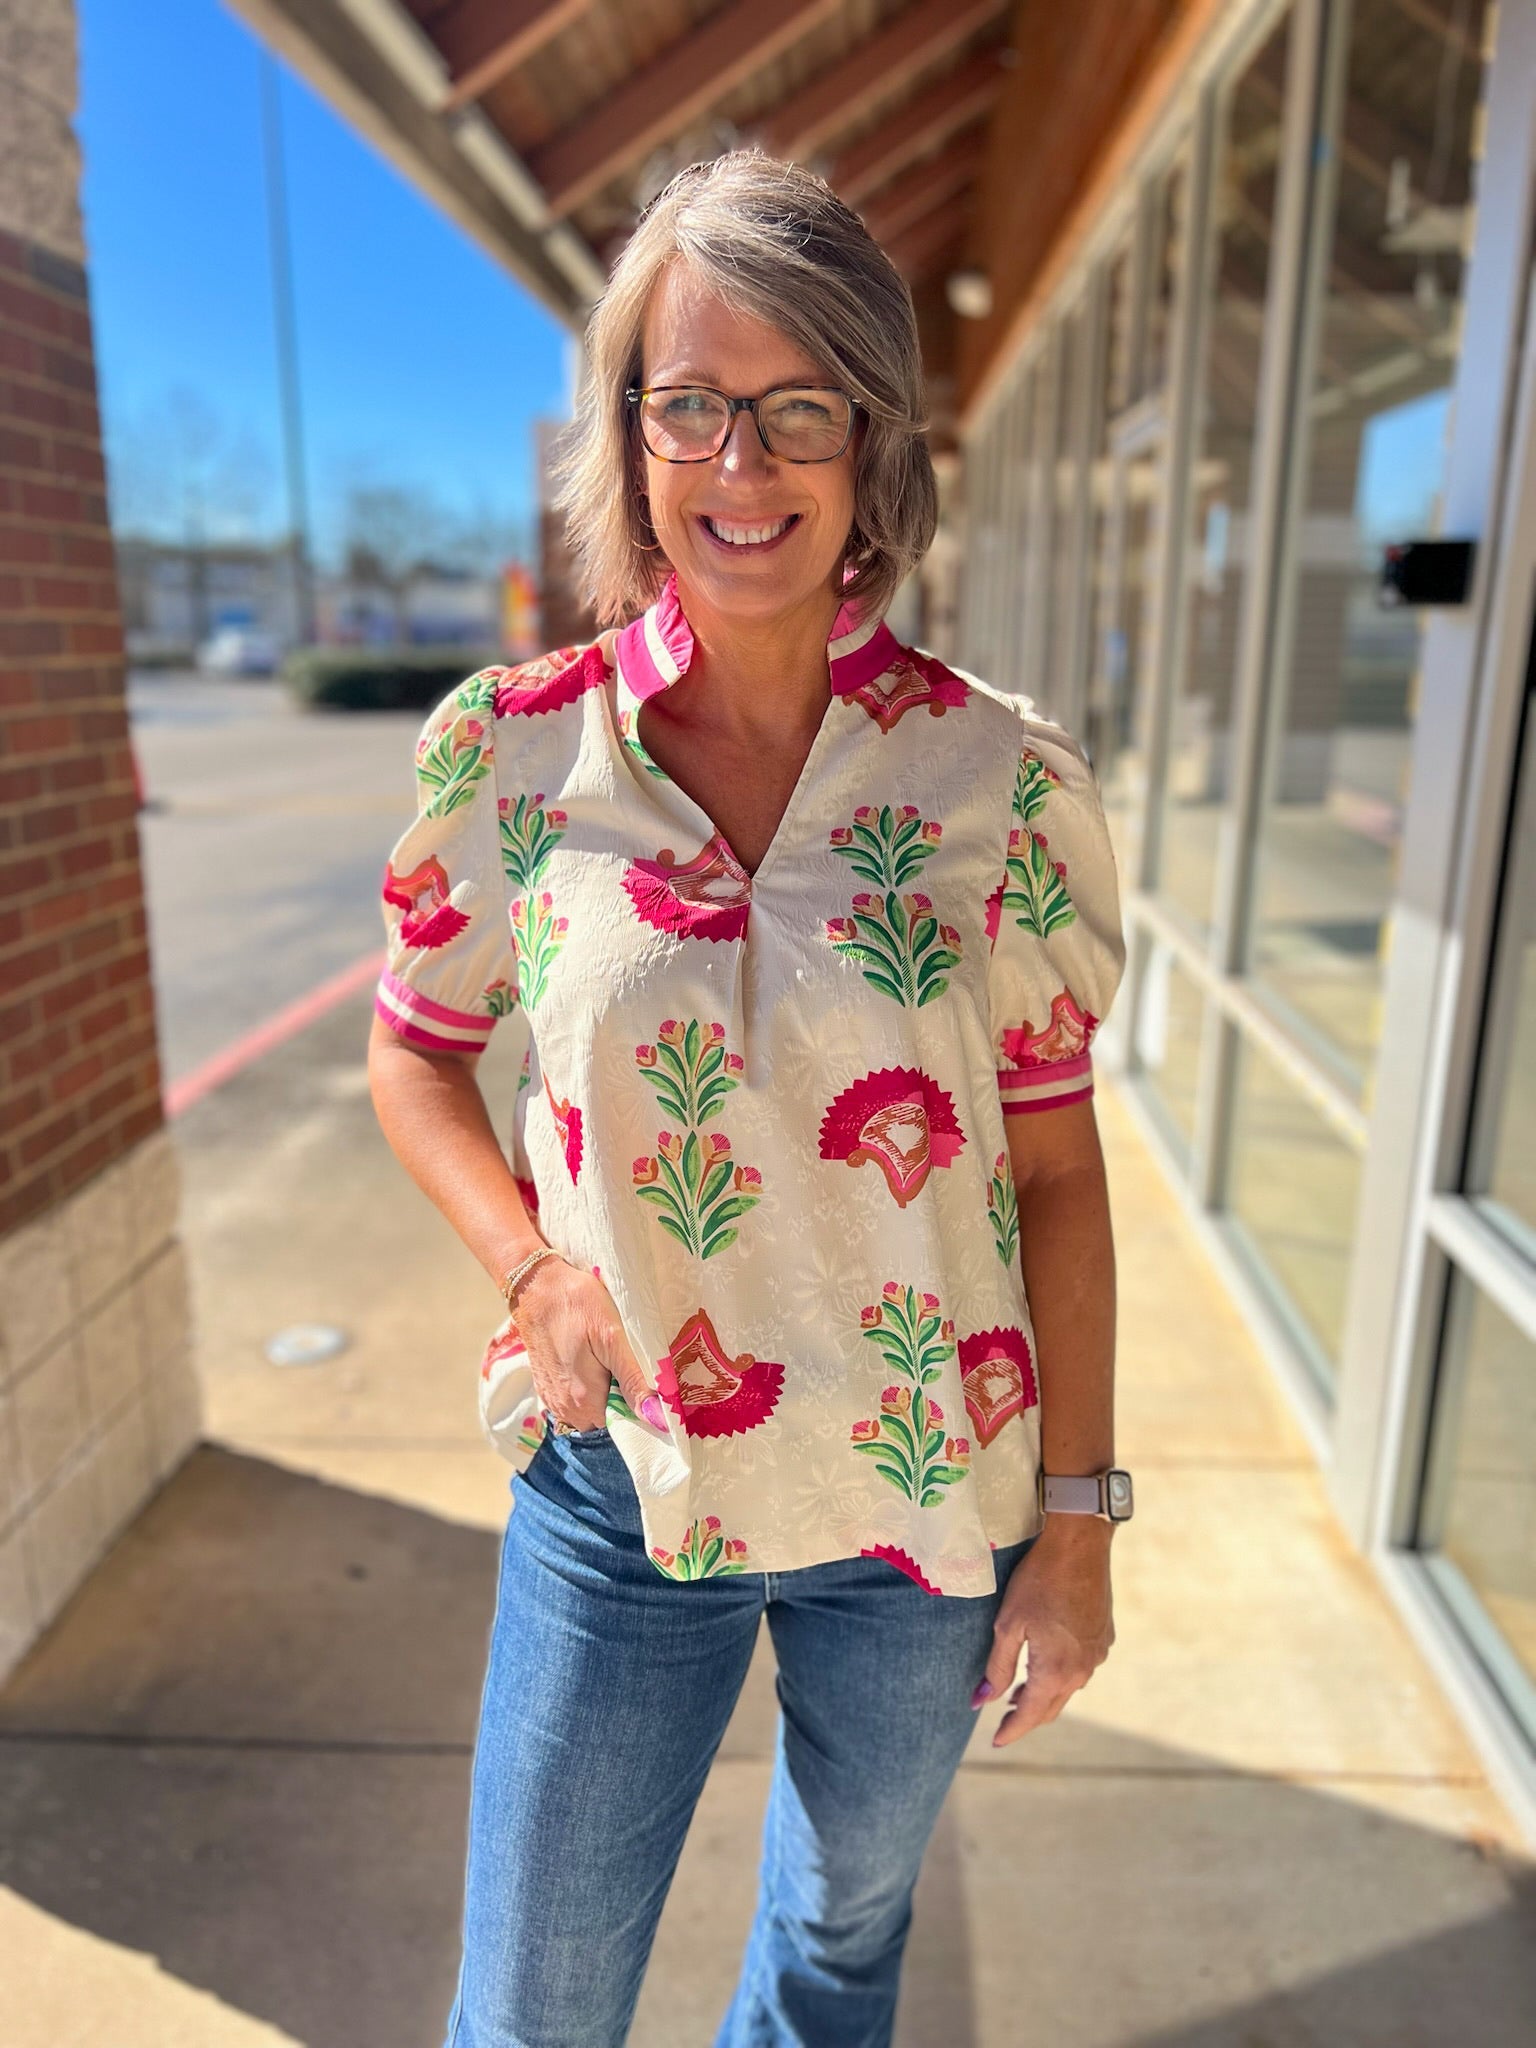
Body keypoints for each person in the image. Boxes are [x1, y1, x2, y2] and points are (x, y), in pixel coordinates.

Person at [367, 149, 1131, 2048]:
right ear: (627, 437)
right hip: (623, 1486)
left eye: (798, 409)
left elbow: (1058, 1177)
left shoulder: (1000, 785)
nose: (739, 463)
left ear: (869, 441)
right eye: (691, 403)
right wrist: (534, 1270)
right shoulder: (522, 750)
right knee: (533, 2004)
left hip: (928, 1504)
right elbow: (413, 1047)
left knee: (833, 1951)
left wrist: (1082, 1525)